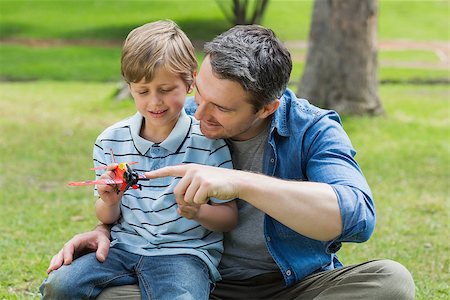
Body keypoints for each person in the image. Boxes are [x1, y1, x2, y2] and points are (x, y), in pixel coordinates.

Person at [46, 24, 415, 299]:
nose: (198, 112)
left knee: (391, 282)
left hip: (292, 286)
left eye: (221, 108)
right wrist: (105, 231)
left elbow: (357, 218)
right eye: (199, 93)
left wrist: (240, 183)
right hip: (195, 281)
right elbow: (138, 197)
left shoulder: (312, 129)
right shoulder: (176, 115)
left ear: (267, 107)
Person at [40, 20, 238, 300]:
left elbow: (228, 217)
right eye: (143, 91)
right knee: (60, 285)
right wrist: (110, 200)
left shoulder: (209, 143)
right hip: (121, 248)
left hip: (183, 254)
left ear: (190, 82)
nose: (154, 102)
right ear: (129, 87)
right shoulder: (111, 140)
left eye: (166, 89)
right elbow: (106, 216)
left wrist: (198, 212)